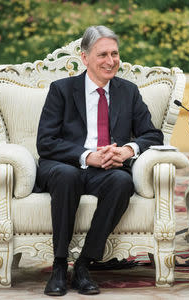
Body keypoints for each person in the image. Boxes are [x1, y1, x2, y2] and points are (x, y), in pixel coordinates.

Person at [34, 25, 163, 296]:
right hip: (65, 165)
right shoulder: (62, 89)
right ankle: (59, 266)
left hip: (106, 169)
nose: (111, 61)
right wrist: (86, 156)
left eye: (114, 54)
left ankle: (83, 265)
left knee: (121, 181)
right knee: (67, 176)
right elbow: (46, 142)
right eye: (102, 54)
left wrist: (128, 150)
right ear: (85, 58)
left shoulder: (128, 91)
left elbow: (153, 134)